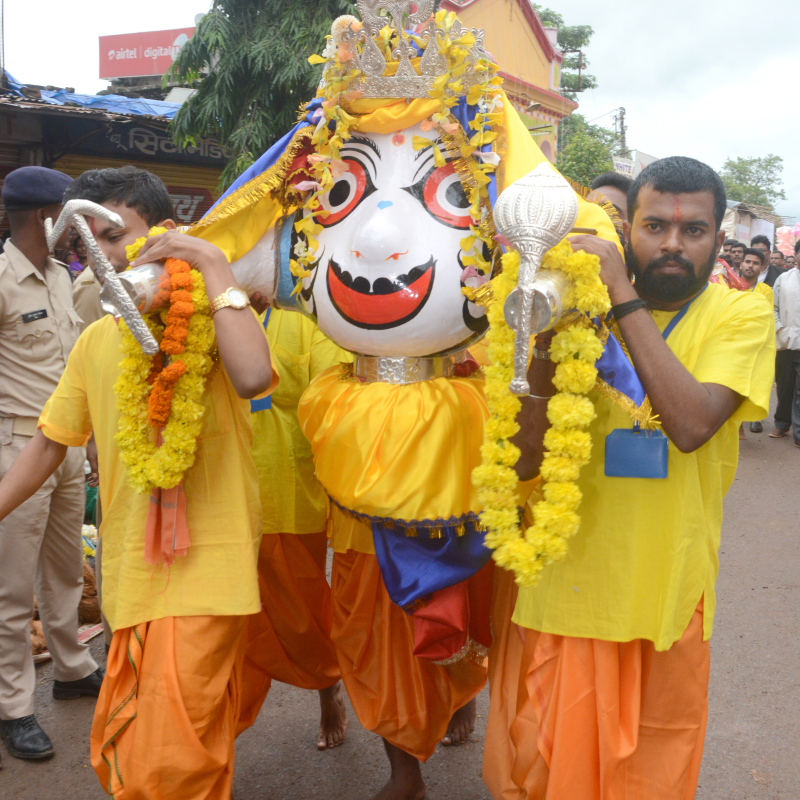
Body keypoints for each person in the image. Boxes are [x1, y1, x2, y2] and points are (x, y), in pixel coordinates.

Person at [483, 156, 775, 800]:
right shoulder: (576, 312)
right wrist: (541, 337)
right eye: (654, 227)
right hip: (568, 589)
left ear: (717, 236)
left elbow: (693, 422)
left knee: (651, 775)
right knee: (546, 770)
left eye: (692, 230)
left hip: (666, 592)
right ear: (629, 231)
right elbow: (526, 461)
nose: (671, 243)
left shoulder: (741, 316)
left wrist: (619, 295)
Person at [0, 166, 278, 797]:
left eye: (116, 234)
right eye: (86, 243)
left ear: (163, 234)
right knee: (146, 742)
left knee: (170, 756)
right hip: (132, 574)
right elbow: (48, 442)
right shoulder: (97, 338)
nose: (101, 255)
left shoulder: (211, 317)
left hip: (211, 567)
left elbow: (254, 377)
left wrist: (211, 264)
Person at [0, 167, 102, 763]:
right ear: (46, 217)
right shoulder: (3, 281)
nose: (78, 228)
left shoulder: (64, 278)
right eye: (70, 215)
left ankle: (70, 666)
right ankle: (13, 707)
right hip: (16, 445)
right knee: (11, 591)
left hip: (66, 448)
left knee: (66, 570)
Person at [238, 307, 351, 750]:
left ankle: (328, 686)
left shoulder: (306, 319)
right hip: (226, 494)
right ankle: (215, 734)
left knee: (301, 613)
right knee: (231, 623)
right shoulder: (204, 316)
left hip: (289, 489)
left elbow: (334, 400)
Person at [70, 165, 176, 334]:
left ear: (165, 232)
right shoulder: (92, 338)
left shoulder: (220, 312)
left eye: (114, 237)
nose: (97, 259)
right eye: (88, 244)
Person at [738, 248, 774, 436]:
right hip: (730, 342)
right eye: (748, 261)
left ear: (762, 267)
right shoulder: (729, 286)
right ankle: (736, 425)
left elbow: (763, 318)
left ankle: (744, 421)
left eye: (755, 263)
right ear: (741, 264)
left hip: (753, 344)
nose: (751, 266)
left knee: (748, 385)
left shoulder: (765, 291)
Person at [769, 240, 800, 447]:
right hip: (787, 339)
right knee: (785, 384)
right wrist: (779, 327)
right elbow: (773, 306)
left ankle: (798, 431)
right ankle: (782, 422)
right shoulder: (784, 278)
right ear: (796, 254)